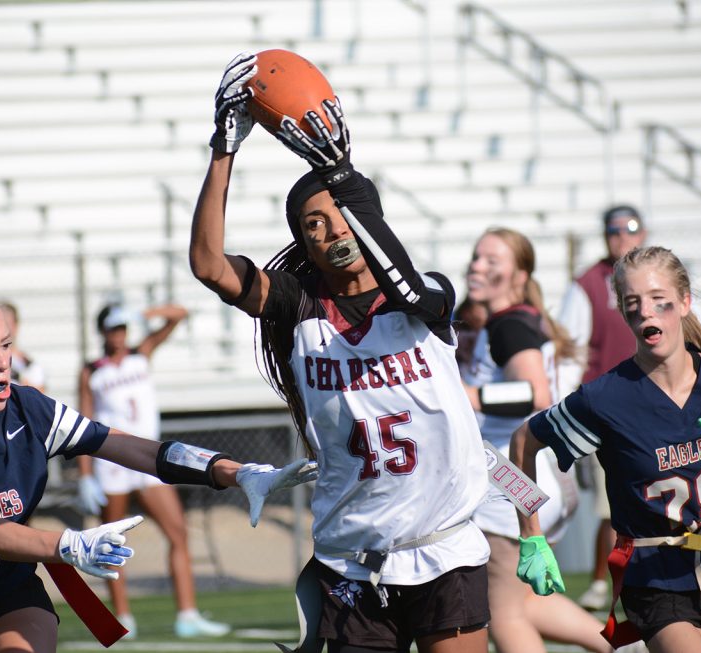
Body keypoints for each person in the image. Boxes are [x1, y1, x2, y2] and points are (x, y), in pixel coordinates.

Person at [189, 52, 493, 653]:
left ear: (365, 216)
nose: (332, 234)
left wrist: (343, 174)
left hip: (443, 547)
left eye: (339, 218)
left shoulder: (425, 296)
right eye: (313, 226)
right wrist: (223, 149)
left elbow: (404, 285)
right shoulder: (298, 305)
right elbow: (208, 266)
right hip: (351, 557)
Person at [0, 284, 315, 653]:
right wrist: (69, 544)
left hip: (5, 588)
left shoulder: (27, 410)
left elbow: (121, 445)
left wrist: (230, 471)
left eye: (5, 345)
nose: (2, 362)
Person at [510, 246, 701, 652]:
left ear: (684, 302)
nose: (646, 312)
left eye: (658, 300)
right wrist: (531, 536)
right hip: (654, 572)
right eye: (633, 304)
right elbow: (523, 441)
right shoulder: (605, 397)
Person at [461, 228, 615, 653]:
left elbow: (534, 394)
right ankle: (617, 647)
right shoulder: (518, 318)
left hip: (512, 481)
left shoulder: (510, 324)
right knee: (524, 602)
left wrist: (462, 397)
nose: (478, 266)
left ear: (519, 272)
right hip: (539, 476)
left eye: (493, 260)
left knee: (503, 615)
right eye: (477, 257)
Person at [76, 302, 230, 639]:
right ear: (102, 331)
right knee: (110, 542)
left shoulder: (140, 354)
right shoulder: (92, 370)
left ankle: (187, 614)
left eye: (123, 328)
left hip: (148, 461)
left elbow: (179, 315)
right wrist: (85, 474)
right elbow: (86, 423)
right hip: (111, 463)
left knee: (178, 532)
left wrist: (142, 313)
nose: (120, 335)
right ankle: (122, 618)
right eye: (114, 328)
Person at [557, 204, 647, 611]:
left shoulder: (656, 276)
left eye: (629, 229)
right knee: (612, 506)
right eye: (613, 230)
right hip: (607, 410)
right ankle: (601, 580)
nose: (621, 237)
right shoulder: (589, 284)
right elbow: (570, 350)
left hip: (655, 407)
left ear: (642, 233)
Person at [0, 301, 46, 392]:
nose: (2, 328)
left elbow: (41, 396)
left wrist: (18, 377)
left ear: (16, 326)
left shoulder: (29, 365)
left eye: (7, 323)